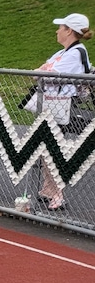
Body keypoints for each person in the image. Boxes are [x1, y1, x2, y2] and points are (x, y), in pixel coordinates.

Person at [33, 12, 91, 211]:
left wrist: (43, 72)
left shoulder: (76, 53)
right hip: (52, 104)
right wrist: (43, 72)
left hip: (63, 106)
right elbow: (41, 71)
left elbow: (50, 74)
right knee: (46, 148)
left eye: (61, 27)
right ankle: (48, 189)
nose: (57, 31)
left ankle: (57, 194)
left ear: (69, 31)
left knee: (52, 149)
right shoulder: (62, 53)